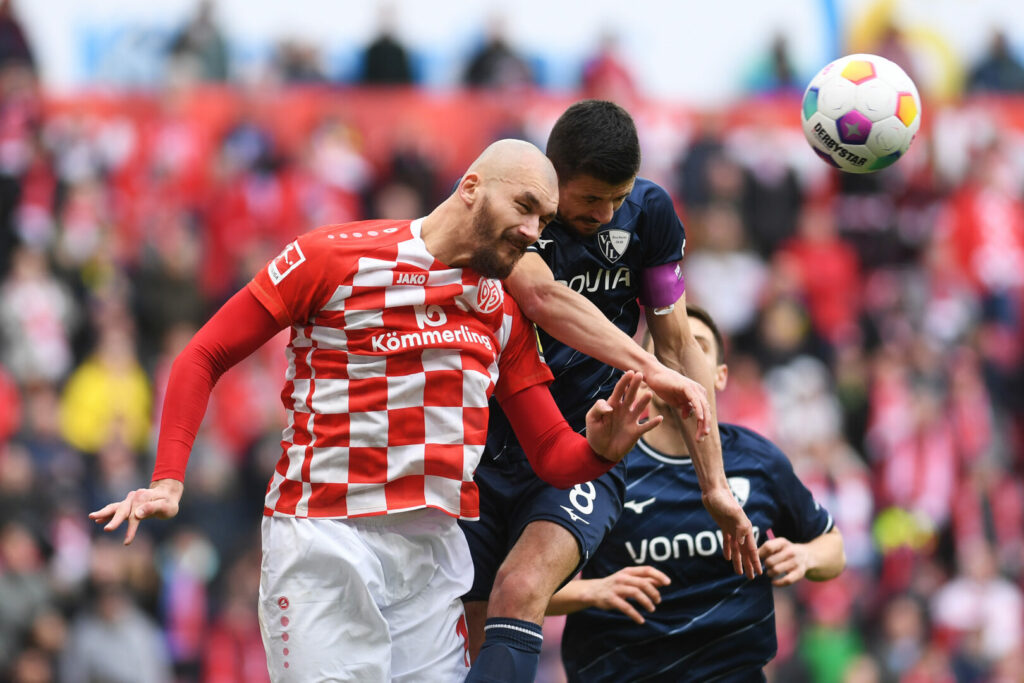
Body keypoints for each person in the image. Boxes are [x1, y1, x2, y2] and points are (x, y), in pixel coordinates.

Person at [89, 139, 664, 682]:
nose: (534, 231)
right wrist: (167, 479)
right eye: (525, 207)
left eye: (544, 219)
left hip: (432, 561)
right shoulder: (332, 257)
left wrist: (599, 450)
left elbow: (552, 457)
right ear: (471, 188)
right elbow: (203, 354)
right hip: (324, 542)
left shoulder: (504, 312)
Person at [461, 100, 761, 683]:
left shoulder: (649, 215)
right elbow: (544, 300)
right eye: (590, 198)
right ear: (552, 176)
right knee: (468, 624)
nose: (605, 213)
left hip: (589, 448)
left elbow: (677, 347)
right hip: (485, 447)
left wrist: (716, 487)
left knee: (520, 586)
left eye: (617, 197)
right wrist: (647, 365)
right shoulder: (515, 212)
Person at [551, 304, 846, 682]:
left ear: (720, 376)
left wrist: (804, 555)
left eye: (695, 347)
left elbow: (833, 548)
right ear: (642, 373)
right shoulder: (604, 465)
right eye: (663, 350)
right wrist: (594, 591)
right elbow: (521, 591)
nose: (677, 359)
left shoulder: (759, 460)